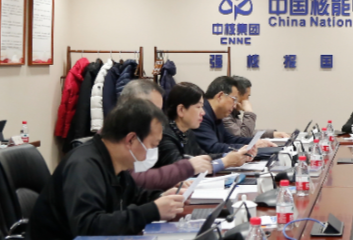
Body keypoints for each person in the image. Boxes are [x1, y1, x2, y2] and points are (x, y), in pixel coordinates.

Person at [29, 99, 185, 240]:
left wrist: (162, 197)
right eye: (152, 145)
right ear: (131, 140)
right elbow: (88, 228)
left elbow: (134, 196)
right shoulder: (84, 167)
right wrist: (153, 211)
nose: (152, 152)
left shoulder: (113, 162)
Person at [119, 79, 213, 190]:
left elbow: (137, 192)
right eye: (154, 111)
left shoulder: (187, 133)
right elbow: (133, 180)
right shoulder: (163, 134)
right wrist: (187, 167)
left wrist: (162, 192)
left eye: (159, 111)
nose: (159, 118)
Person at [157, 82, 253, 171]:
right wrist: (225, 162)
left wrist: (231, 155)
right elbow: (179, 171)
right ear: (181, 110)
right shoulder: (164, 135)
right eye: (198, 107)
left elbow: (203, 156)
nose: (203, 112)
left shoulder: (187, 132)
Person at [193, 76, 277, 153]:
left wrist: (254, 142)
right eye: (234, 99)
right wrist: (247, 148)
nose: (235, 105)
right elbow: (213, 148)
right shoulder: (202, 115)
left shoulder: (217, 114)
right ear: (220, 96)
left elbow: (229, 139)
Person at [222, 76, 290, 139]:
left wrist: (273, 134)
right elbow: (243, 137)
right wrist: (248, 112)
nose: (248, 100)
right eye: (247, 96)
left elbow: (248, 132)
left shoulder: (233, 114)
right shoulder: (225, 115)